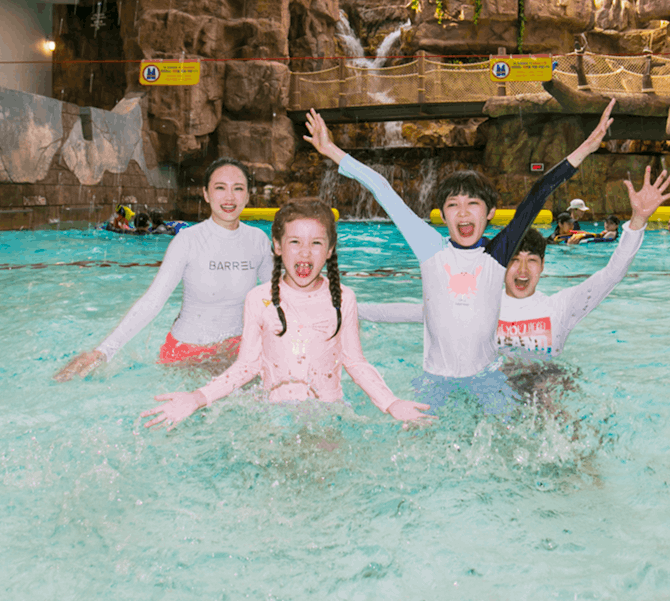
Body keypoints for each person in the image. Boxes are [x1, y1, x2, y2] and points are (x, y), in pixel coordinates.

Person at [304, 98, 617, 414]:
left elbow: (538, 194)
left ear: (490, 212)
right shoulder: (430, 248)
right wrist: (332, 150)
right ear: (442, 214)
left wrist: (586, 148)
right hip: (435, 381)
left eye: (473, 204)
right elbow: (382, 189)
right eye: (454, 205)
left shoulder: (497, 255)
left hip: (487, 380)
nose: (463, 213)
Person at [359, 165, 670, 410]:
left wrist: (637, 222)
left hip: (547, 386)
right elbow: (405, 312)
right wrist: (343, 308)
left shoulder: (561, 307)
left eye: (532, 261)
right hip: (496, 391)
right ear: (500, 266)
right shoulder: (479, 302)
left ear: (543, 267)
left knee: (559, 403)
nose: (522, 269)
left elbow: (611, 274)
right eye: (515, 260)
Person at [140, 198, 431, 429]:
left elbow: (355, 363)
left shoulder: (344, 299)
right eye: (295, 242)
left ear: (330, 249)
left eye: (316, 243)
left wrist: (391, 403)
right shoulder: (259, 299)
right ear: (277, 247)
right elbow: (247, 366)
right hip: (273, 418)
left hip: (328, 415)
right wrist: (197, 398)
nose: (305, 253)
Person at [54, 158, 274, 381]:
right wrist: (104, 351)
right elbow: (153, 300)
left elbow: (276, 299)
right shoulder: (188, 240)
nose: (229, 197)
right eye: (220, 188)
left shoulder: (258, 240)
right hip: (188, 355)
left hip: (237, 350)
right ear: (206, 194)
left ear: (247, 196)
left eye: (238, 189)